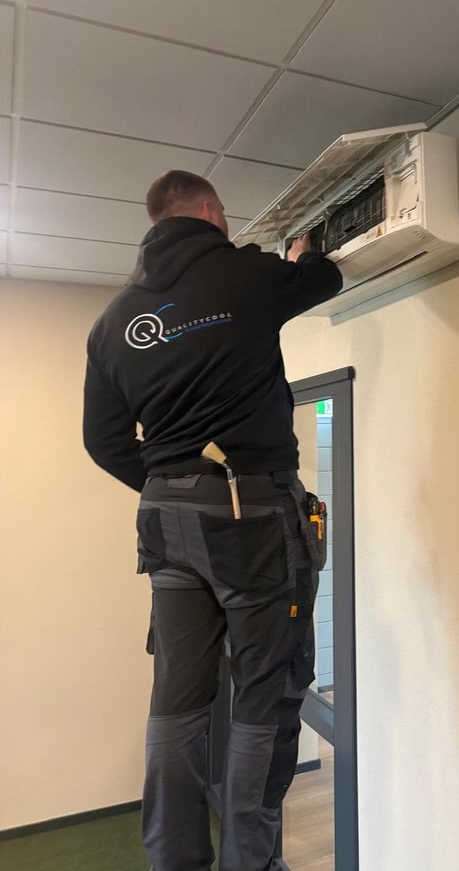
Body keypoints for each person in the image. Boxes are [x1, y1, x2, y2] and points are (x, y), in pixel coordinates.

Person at [83, 169, 342, 871]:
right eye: (223, 211)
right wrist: (300, 258)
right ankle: (252, 863)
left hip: (166, 525)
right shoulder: (244, 275)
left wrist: (174, 484)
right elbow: (325, 281)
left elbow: (103, 442)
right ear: (208, 211)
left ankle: (176, 859)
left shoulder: (112, 323)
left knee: (177, 697)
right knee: (264, 694)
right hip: (251, 515)